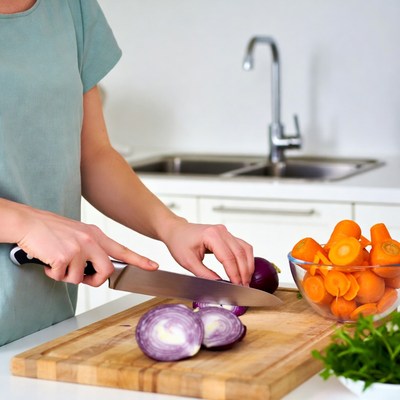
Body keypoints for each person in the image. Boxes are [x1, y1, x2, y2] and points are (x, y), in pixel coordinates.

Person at [0, 0, 254, 346]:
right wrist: (21, 221)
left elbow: (93, 155)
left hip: (43, 325)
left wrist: (171, 226)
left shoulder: (72, 7)